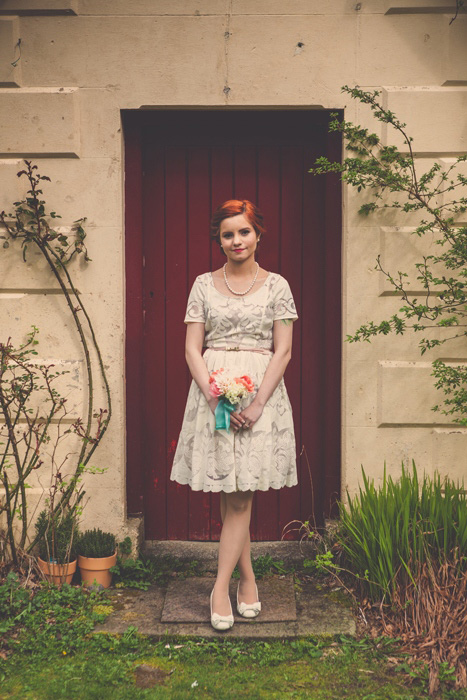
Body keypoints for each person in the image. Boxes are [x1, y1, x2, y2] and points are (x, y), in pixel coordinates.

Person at [170, 199, 299, 631]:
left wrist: (259, 401)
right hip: (215, 392)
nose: (236, 240)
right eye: (228, 234)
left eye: (243, 232)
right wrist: (213, 397)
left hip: (262, 394)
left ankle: (223, 585)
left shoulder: (277, 285)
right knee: (234, 491)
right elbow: (192, 348)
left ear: (258, 235)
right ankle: (242, 581)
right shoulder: (203, 284)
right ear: (220, 240)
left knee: (241, 493)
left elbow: (283, 349)